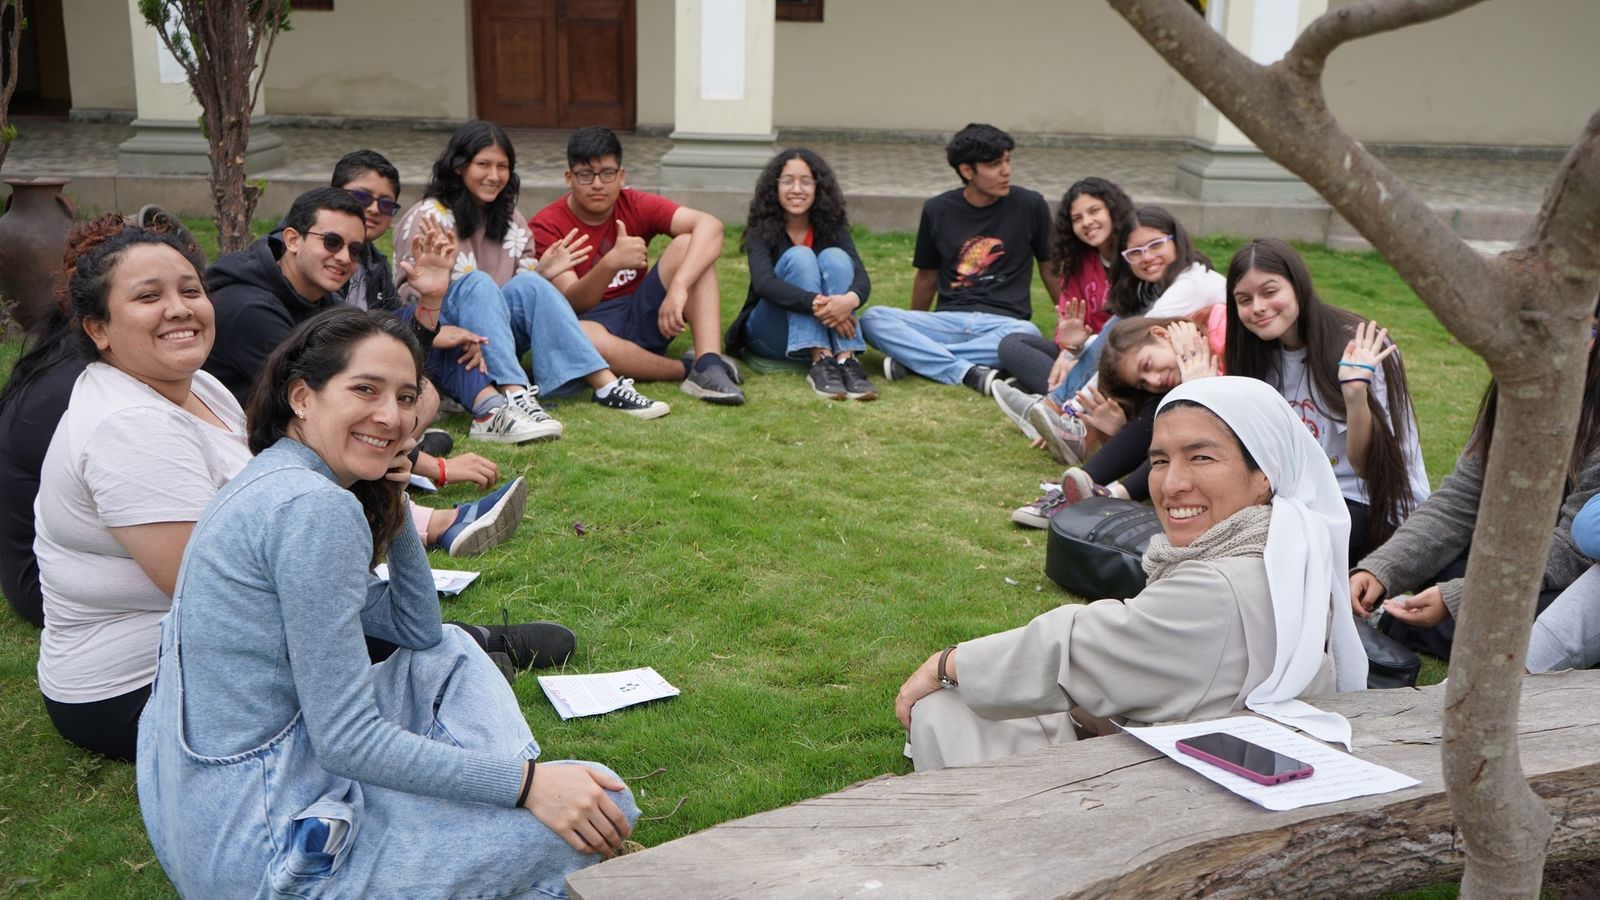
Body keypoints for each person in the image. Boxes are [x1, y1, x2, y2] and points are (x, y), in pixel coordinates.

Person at [138, 307, 637, 897]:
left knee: (451, 651)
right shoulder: (314, 510)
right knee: (611, 802)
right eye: (365, 390)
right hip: (271, 855)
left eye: (405, 398)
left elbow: (419, 629)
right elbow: (347, 740)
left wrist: (396, 500)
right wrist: (528, 784)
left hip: (201, 814)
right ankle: (540, 819)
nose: (391, 417)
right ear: (302, 396)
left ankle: (525, 817)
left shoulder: (277, 477)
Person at [898, 376, 1365, 771]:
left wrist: (947, 664)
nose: (1172, 483)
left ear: (1265, 472)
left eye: (1201, 457)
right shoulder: (1289, 551)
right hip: (1213, 754)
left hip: (1173, 796)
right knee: (1000, 701)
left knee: (946, 708)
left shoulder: (1219, 586)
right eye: (1160, 460)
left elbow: (1080, 648)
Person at [206, 187, 534, 557]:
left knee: (414, 392)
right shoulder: (250, 308)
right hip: (254, 450)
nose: (344, 257)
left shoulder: (319, 295)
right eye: (331, 242)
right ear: (293, 239)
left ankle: (403, 471)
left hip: (299, 436)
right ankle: (434, 523)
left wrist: (429, 301)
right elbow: (304, 410)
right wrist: (438, 468)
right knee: (367, 412)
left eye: (355, 249)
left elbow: (390, 363)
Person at [0, 210, 206, 628]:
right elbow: (206, 585)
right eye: (148, 295)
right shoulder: (115, 417)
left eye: (191, 290)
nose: (179, 308)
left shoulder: (174, 376)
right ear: (97, 324)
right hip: (45, 584)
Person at [1354, 312, 1600, 659]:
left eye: (1583, 330)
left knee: (1544, 619)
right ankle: (1435, 618)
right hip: (1513, 558)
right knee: (1441, 566)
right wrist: (1382, 569)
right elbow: (1460, 501)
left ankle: (1436, 623)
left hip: (1572, 574)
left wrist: (1462, 596)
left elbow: (1574, 550)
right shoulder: (1517, 388)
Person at [395, 120, 671, 423]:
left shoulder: (511, 220)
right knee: (477, 282)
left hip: (494, 339)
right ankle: (514, 393)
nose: (494, 176)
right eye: (483, 165)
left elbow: (517, 300)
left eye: (503, 166)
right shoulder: (430, 216)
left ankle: (605, 385)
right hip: (441, 337)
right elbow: (411, 300)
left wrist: (542, 274)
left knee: (528, 281)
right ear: (459, 167)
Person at [331, 150, 563, 445]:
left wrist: (441, 326)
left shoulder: (372, 260)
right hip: (333, 365)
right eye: (362, 197)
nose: (375, 209)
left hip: (389, 353)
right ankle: (500, 402)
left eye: (386, 203)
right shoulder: (315, 252)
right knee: (428, 380)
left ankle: (492, 411)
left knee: (448, 333)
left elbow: (391, 315)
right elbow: (325, 325)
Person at [1224, 238, 1427, 559]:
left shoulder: (1357, 349)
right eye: (1244, 299)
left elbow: (1365, 467)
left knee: (1275, 554)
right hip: (1297, 499)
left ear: (1298, 286)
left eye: (1270, 291)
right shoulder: (1256, 356)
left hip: (1370, 502)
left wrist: (1355, 394)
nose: (1258, 307)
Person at [531, 126, 745, 405]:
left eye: (607, 173)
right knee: (581, 336)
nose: (597, 184)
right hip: (593, 326)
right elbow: (573, 303)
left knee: (688, 244)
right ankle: (686, 369)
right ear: (569, 178)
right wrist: (610, 264)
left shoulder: (633, 202)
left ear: (621, 177)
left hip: (643, 312)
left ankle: (709, 363)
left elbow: (712, 227)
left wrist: (679, 288)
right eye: (586, 174)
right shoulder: (547, 224)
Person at [859, 123, 1052, 396]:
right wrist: (916, 322)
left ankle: (917, 358)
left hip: (1006, 324)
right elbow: (927, 276)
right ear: (966, 170)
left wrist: (1070, 323)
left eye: (1007, 161)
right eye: (995, 164)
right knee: (872, 318)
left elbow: (1050, 269)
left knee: (1028, 333)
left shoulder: (1031, 205)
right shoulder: (937, 209)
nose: (1006, 171)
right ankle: (966, 371)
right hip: (947, 320)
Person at [1024, 207, 1223, 469]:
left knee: (1124, 340)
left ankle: (1065, 416)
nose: (1147, 257)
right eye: (1135, 253)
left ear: (1176, 239)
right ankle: (1056, 410)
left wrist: (1074, 406)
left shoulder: (1190, 283)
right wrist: (1073, 350)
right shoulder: (1154, 286)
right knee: (1016, 343)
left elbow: (1121, 354)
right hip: (1176, 366)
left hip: (1211, 371)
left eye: (1155, 245)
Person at [1010, 309, 1226, 528]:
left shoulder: (1217, 328)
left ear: (1161, 335)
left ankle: (1110, 498)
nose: (1154, 380)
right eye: (1143, 383)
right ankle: (1075, 491)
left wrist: (1196, 388)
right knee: (1162, 407)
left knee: (1175, 410)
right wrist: (1118, 431)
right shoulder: (1167, 388)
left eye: (1147, 365)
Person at [725, 147, 877, 400]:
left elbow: (860, 277)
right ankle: (820, 361)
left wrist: (847, 302)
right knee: (800, 256)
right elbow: (764, 284)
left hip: (825, 326)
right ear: (775, 187)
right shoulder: (760, 229)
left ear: (818, 188)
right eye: (788, 181)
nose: (797, 189)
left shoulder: (833, 227)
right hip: (769, 333)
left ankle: (845, 360)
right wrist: (819, 303)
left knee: (837, 258)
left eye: (806, 181)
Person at [994, 177, 1135, 424]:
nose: (1087, 222)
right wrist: (1071, 351)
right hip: (1082, 352)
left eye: (1094, 211)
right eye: (1077, 218)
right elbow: (1068, 328)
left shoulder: (1136, 257)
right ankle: (1063, 396)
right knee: (1012, 344)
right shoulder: (1078, 263)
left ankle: (1051, 401)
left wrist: (1079, 356)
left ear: (1113, 210)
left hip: (1121, 357)